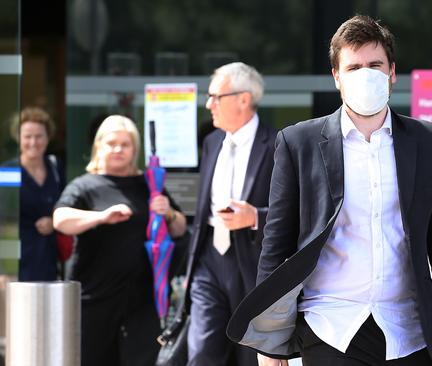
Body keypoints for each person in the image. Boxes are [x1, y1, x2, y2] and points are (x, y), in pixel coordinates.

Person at [227, 15, 432, 366]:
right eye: (354, 67)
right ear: (337, 77)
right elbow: (277, 243)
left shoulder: (429, 142)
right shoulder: (299, 142)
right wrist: (269, 342)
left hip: (408, 330)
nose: (366, 75)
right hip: (329, 325)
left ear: (392, 73)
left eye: (375, 65)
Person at [53, 115, 187, 366]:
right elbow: (60, 219)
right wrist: (100, 217)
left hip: (142, 300)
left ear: (134, 149)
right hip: (94, 298)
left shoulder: (149, 184)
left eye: (125, 144)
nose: (118, 149)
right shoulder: (84, 186)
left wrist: (168, 212)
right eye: (111, 143)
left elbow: (180, 229)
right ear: (98, 146)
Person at [186, 62, 276, 366]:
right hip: (209, 258)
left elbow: (297, 211)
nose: (208, 104)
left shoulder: (278, 144)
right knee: (201, 352)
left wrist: (255, 217)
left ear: (243, 99)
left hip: (253, 260)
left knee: (251, 355)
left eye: (215, 96)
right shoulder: (211, 143)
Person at [9, 107, 64, 281]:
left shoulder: (55, 167)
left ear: (48, 138)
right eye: (27, 136)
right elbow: (3, 222)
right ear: (18, 138)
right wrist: (4, 269)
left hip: (50, 259)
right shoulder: (8, 171)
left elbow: (68, 205)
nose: (33, 142)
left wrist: (54, 222)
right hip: (18, 262)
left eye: (39, 136)